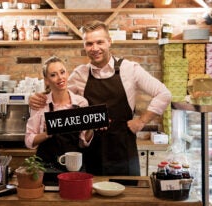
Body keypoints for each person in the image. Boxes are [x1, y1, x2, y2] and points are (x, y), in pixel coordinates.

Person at [29, 20, 172, 176]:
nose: (94, 48)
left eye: (99, 42)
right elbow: (57, 95)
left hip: (123, 149)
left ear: (109, 42)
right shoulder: (80, 74)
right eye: (89, 43)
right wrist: (35, 98)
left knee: (126, 198)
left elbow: (164, 93)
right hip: (91, 151)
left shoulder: (130, 69)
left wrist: (141, 121)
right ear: (84, 46)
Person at [25, 56, 93, 170]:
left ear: (67, 74)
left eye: (62, 72)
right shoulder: (40, 104)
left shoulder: (81, 103)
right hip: (46, 167)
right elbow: (29, 141)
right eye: (53, 75)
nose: (60, 77)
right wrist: (46, 134)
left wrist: (92, 127)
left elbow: (83, 143)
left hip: (74, 166)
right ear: (46, 80)